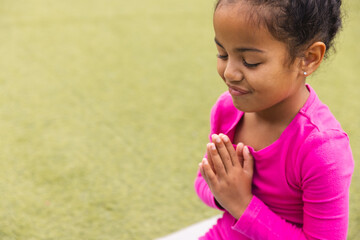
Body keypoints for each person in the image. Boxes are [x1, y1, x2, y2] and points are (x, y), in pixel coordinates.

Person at [195, 0, 354, 239]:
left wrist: (242, 204)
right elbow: (203, 181)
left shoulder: (322, 150)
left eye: (250, 61)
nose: (229, 73)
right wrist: (222, 195)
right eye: (223, 53)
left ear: (308, 58)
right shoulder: (227, 110)